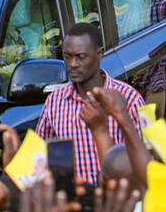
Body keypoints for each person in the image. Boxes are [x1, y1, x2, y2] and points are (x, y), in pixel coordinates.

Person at [36, 22, 144, 183]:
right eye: (67, 56)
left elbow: (148, 157)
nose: (72, 64)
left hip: (121, 199)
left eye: (80, 57)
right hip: (77, 202)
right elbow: (40, 155)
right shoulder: (55, 102)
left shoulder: (128, 99)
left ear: (100, 54)